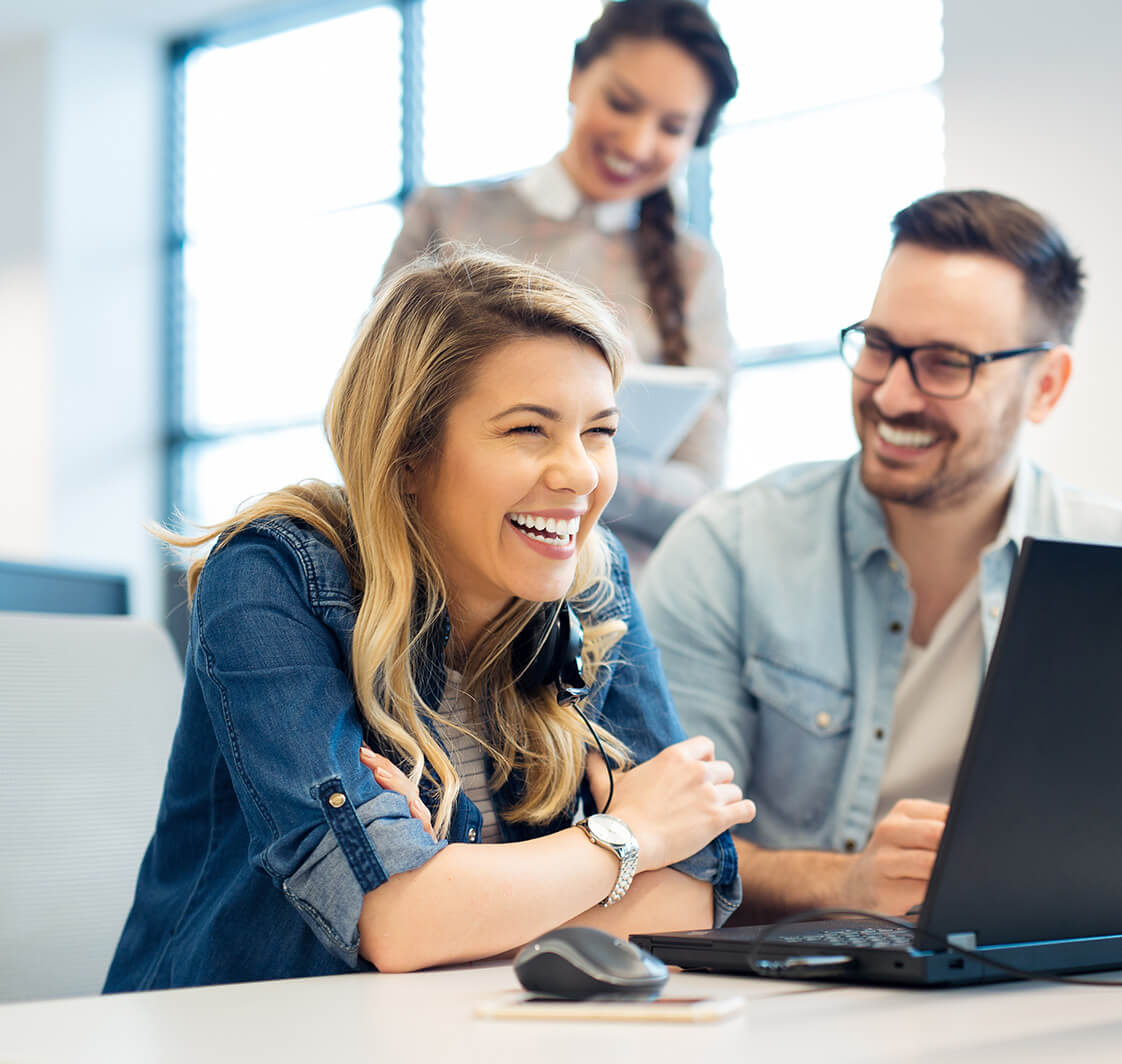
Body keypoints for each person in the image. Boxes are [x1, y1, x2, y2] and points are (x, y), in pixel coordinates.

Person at [103, 247, 753, 992]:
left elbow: (690, 895)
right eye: (528, 431)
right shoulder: (270, 576)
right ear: (409, 450)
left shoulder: (589, 583)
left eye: (598, 432)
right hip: (228, 1030)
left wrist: (456, 888)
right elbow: (399, 921)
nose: (579, 473)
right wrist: (626, 834)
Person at [638, 189, 1122, 923]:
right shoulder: (727, 549)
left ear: (1044, 386)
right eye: (880, 346)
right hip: (786, 1010)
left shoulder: (1103, 562)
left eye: (945, 363)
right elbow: (669, 851)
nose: (892, 394)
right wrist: (844, 883)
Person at [381, 0, 738, 565]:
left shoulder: (694, 270)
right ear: (576, 75)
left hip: (613, 599)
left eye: (671, 127)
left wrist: (566, 457)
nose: (639, 143)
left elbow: (701, 489)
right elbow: (376, 413)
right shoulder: (448, 218)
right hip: (442, 572)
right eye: (622, 104)